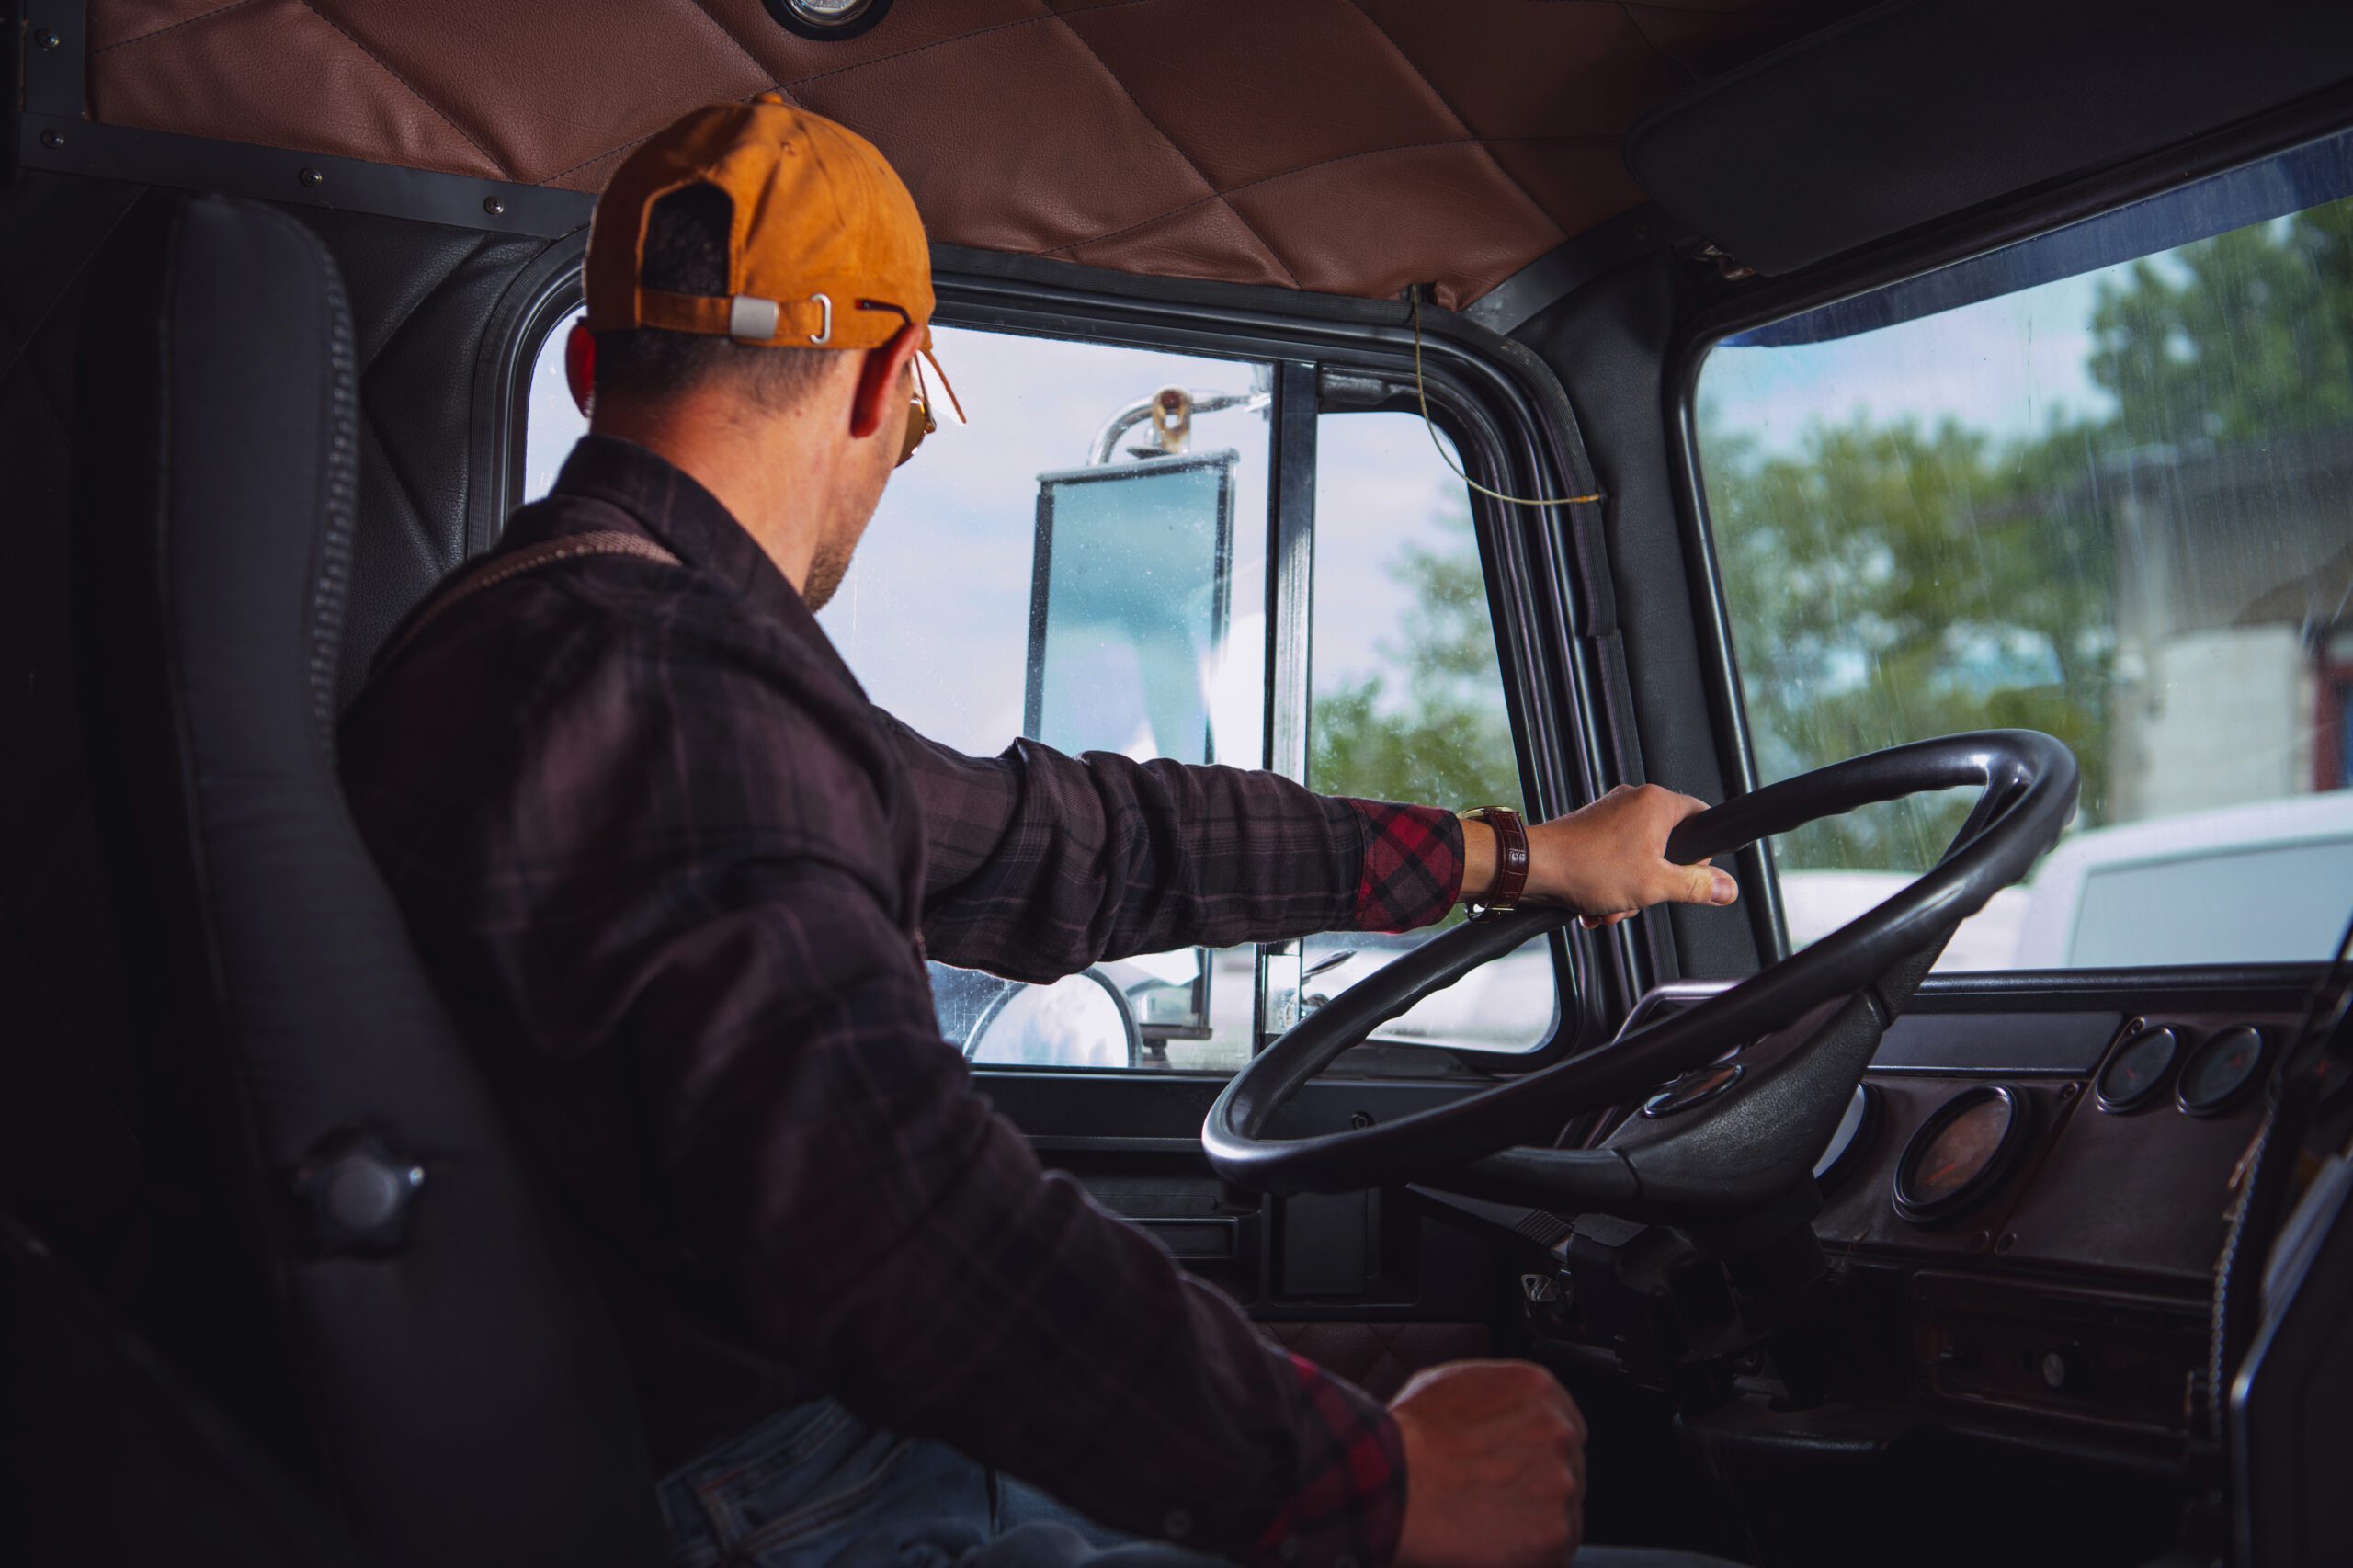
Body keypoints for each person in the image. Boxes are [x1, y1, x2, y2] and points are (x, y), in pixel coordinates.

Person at [339, 96, 1744, 1568]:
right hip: (792, 1498)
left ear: (585, 366)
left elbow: (1087, 839)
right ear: (886, 380)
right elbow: (905, 1225)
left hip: (756, 1456)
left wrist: (1518, 855)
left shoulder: (549, 649)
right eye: (925, 415)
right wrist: (1375, 1486)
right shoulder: (681, 702)